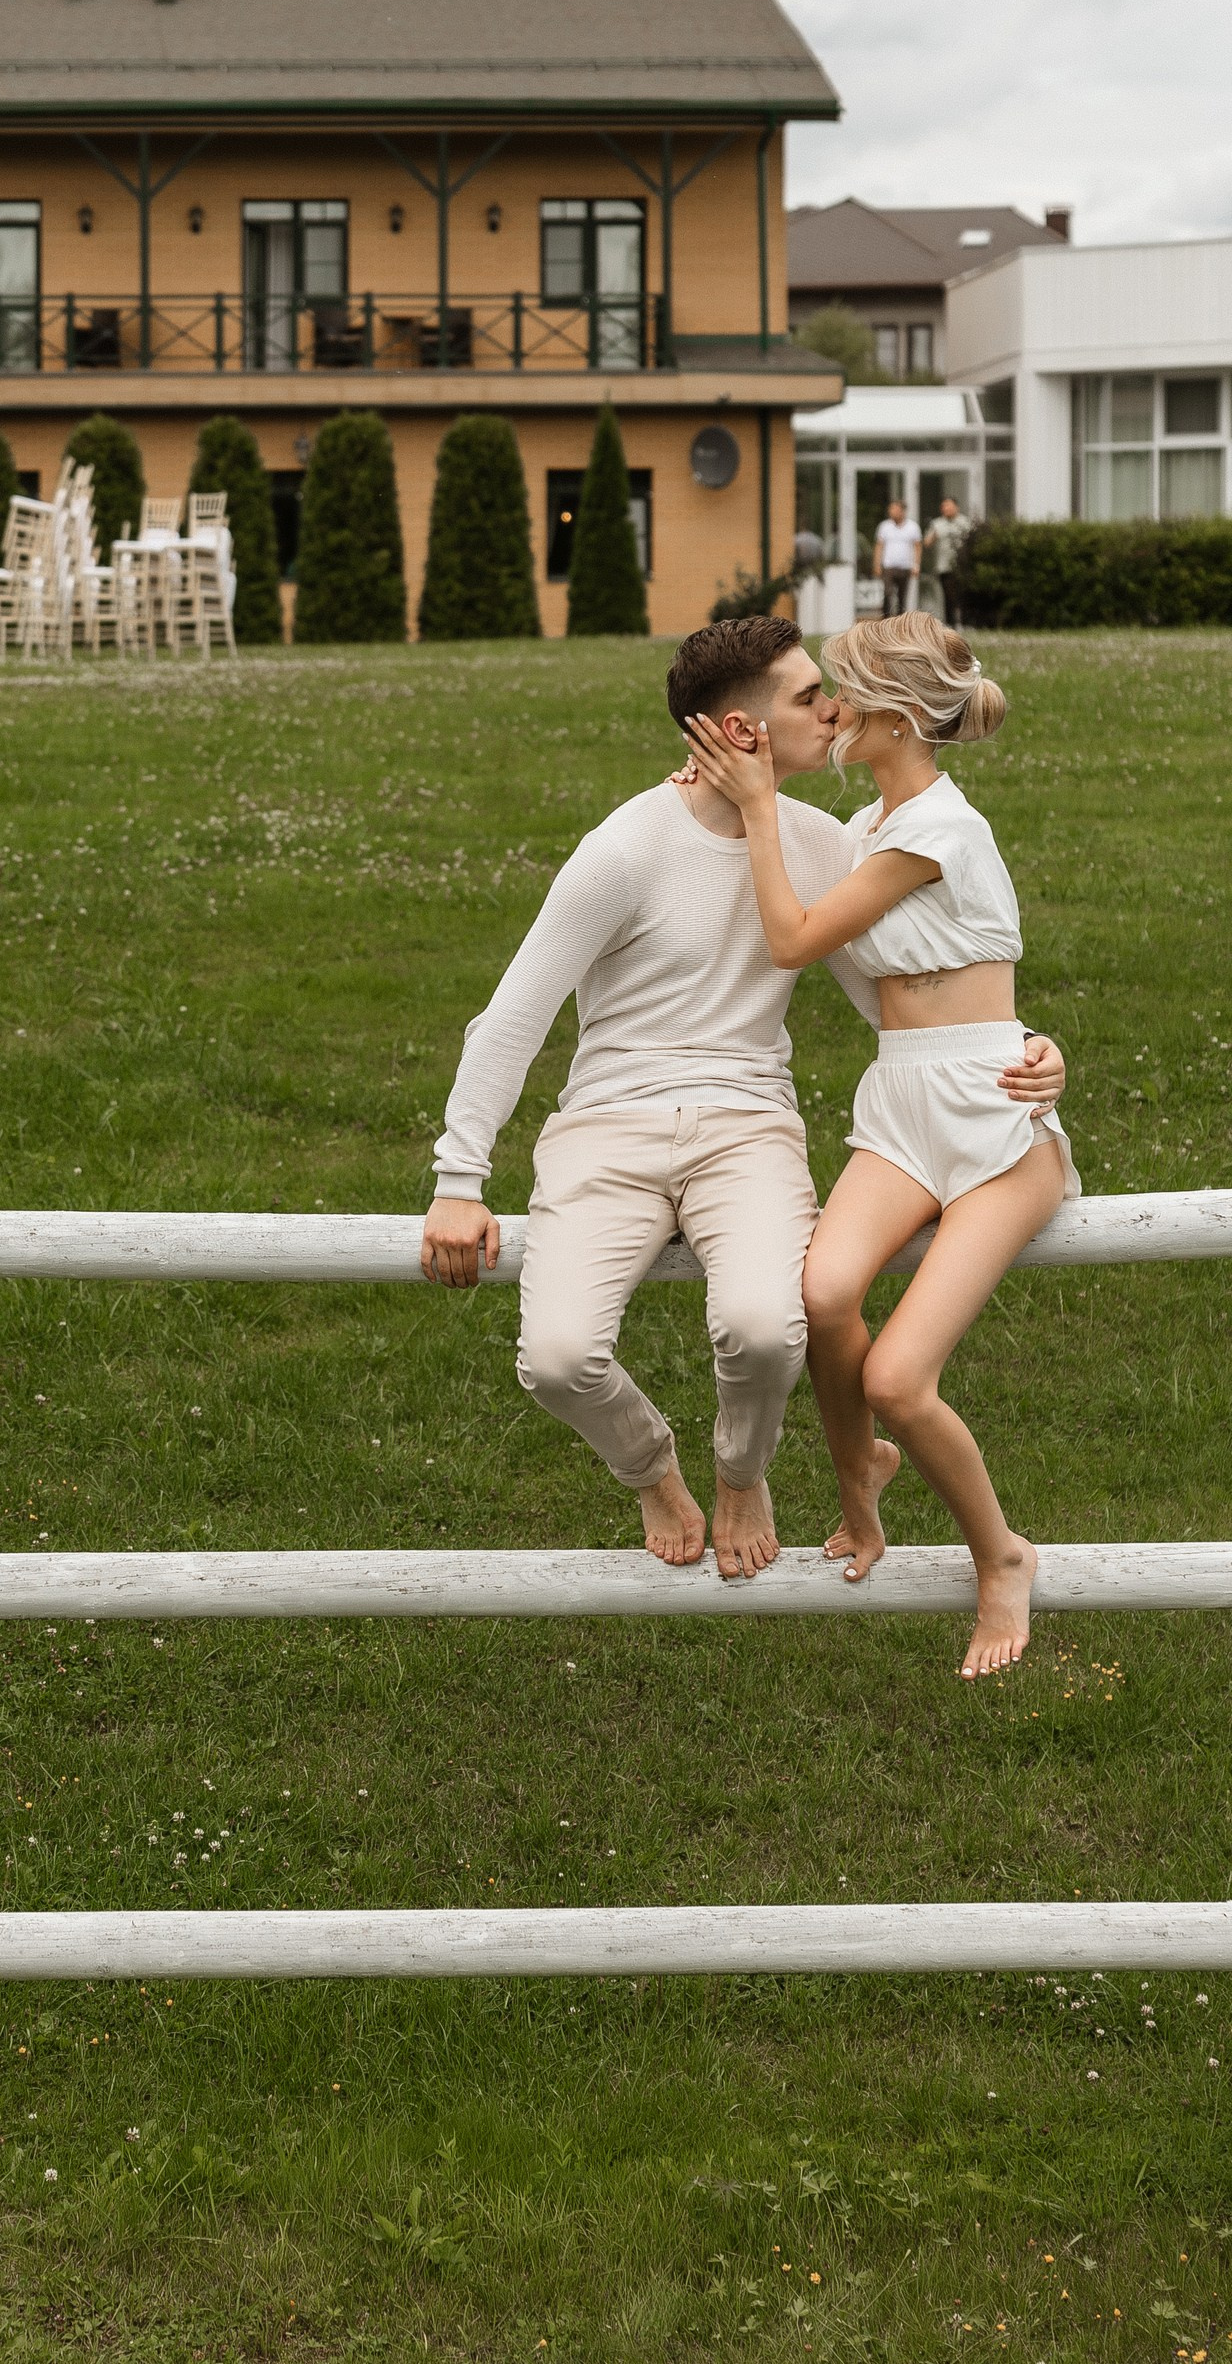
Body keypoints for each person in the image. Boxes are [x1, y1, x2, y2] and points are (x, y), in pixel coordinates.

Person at [418, 614, 1065, 1582]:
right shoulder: (622, 848)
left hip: (748, 1124)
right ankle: (650, 1471)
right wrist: (456, 1176)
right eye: (808, 698)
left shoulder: (826, 845)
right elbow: (513, 1015)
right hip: (606, 1126)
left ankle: (739, 1472)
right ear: (737, 732)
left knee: (768, 1328)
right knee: (556, 1359)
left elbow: (891, 989)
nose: (831, 709)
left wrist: (1022, 1053)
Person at [684, 612, 1075, 1683]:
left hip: (995, 1124)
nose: (824, 714)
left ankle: (999, 1554)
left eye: (838, 695)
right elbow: (880, 991)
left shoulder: (937, 831)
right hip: (900, 1106)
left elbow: (793, 941)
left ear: (895, 716)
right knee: (822, 1296)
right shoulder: (866, 831)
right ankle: (863, 1505)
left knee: (899, 1376)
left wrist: (761, 807)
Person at [924, 495, 971, 627]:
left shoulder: (965, 522)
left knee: (963, 595)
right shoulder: (937, 524)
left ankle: (965, 622)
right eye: (944, 506)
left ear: (956, 507)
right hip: (944, 565)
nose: (946, 509)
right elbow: (926, 543)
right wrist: (934, 535)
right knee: (948, 595)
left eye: (949, 506)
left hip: (961, 566)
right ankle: (951, 623)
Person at [874, 498, 920, 618]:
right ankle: (886, 619)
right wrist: (877, 565)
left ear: (902, 511)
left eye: (894, 509)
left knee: (902, 596)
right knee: (887, 593)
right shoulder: (884, 526)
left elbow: (917, 547)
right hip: (888, 565)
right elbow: (879, 546)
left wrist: (916, 565)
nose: (891, 512)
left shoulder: (912, 527)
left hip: (905, 566)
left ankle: (900, 621)